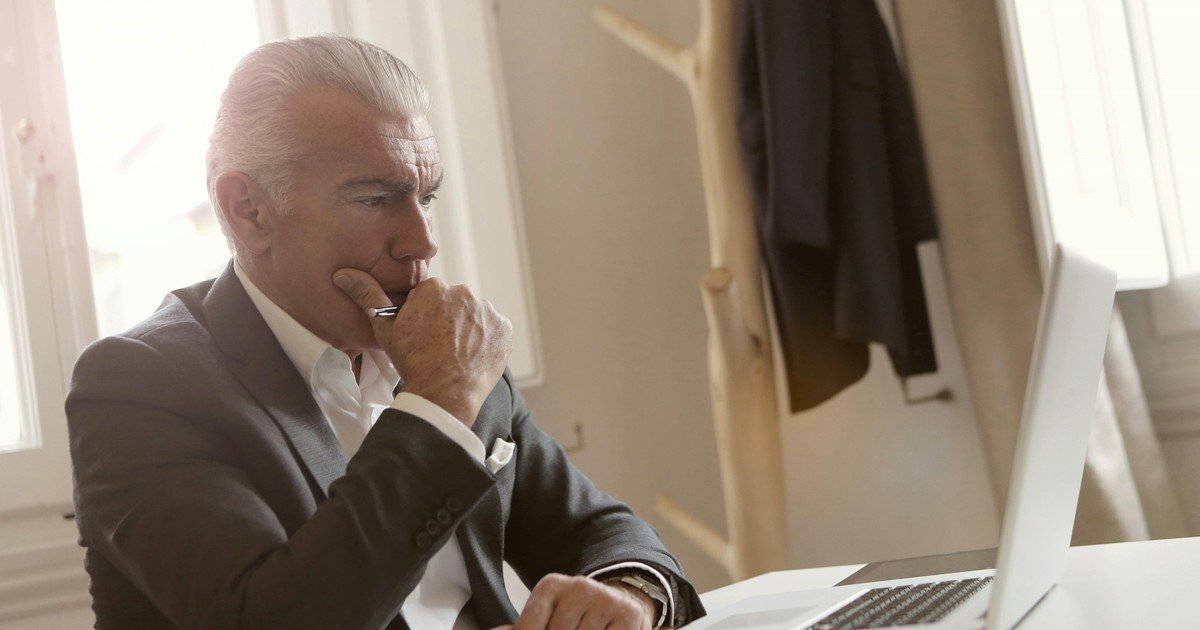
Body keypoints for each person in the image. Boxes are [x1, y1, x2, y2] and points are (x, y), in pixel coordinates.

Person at [66, 35, 703, 629]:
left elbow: (599, 529)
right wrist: (438, 404)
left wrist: (629, 594)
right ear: (248, 210)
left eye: (426, 198)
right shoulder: (136, 386)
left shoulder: (448, 353)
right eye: (374, 199)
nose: (421, 242)